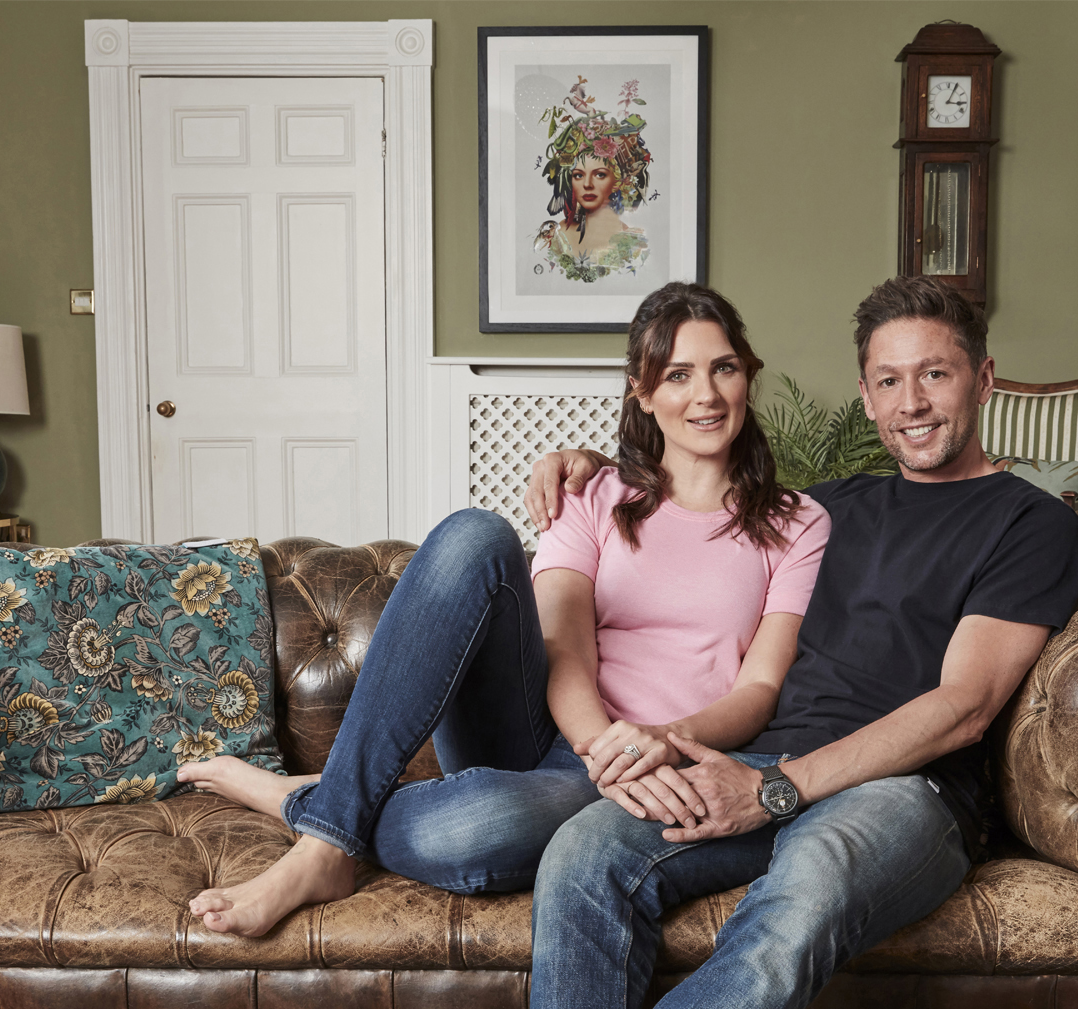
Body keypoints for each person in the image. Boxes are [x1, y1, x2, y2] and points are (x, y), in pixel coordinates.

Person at [520, 275, 1078, 1009]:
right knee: (583, 854)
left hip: (902, 791)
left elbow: (962, 708)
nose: (913, 402)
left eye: (936, 374)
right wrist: (592, 469)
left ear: (985, 378)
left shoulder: (1029, 522)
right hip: (756, 766)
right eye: (889, 381)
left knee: (808, 885)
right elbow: (689, 494)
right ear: (864, 397)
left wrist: (777, 790)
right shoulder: (818, 512)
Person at [177, 281, 828, 937]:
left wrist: (659, 742)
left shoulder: (799, 523)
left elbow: (761, 687)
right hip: (555, 736)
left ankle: (305, 797)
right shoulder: (592, 492)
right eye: (679, 374)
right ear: (643, 391)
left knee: (472, 829)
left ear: (748, 374)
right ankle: (326, 844)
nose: (707, 394)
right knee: (474, 536)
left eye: (724, 368)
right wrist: (601, 747)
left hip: (666, 765)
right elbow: (565, 644)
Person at [531, 76, 652, 280]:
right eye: (578, 175)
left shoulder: (635, 243)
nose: (587, 184)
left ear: (619, 180)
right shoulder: (555, 239)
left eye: (599, 175)